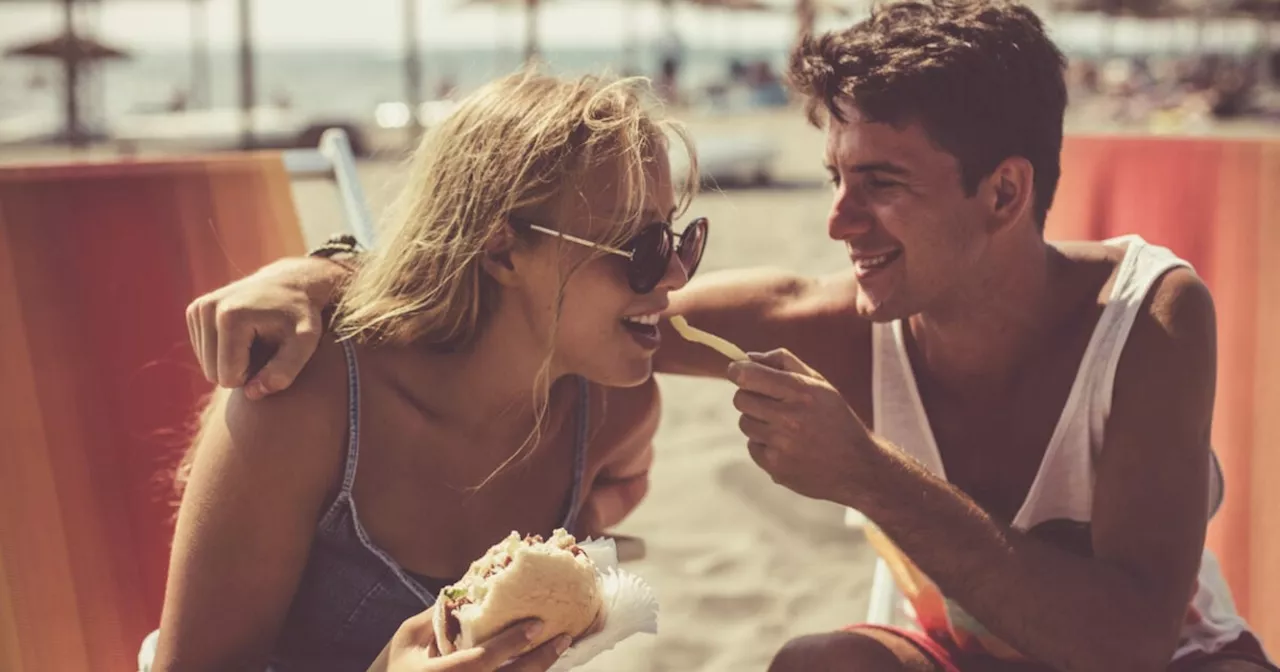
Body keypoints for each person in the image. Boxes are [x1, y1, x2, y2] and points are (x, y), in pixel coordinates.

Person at [182, 1, 1277, 670]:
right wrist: (321, 273)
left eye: (880, 186)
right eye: (834, 181)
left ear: (1002, 193)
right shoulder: (809, 326)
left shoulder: (1147, 319)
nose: (837, 225)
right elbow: (510, 303)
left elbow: (1131, 643)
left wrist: (864, 474)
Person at [148, 69, 710, 672]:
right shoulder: (302, 398)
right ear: (501, 250)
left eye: (679, 238)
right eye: (640, 246)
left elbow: (619, 491)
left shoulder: (613, 412)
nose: (676, 274)